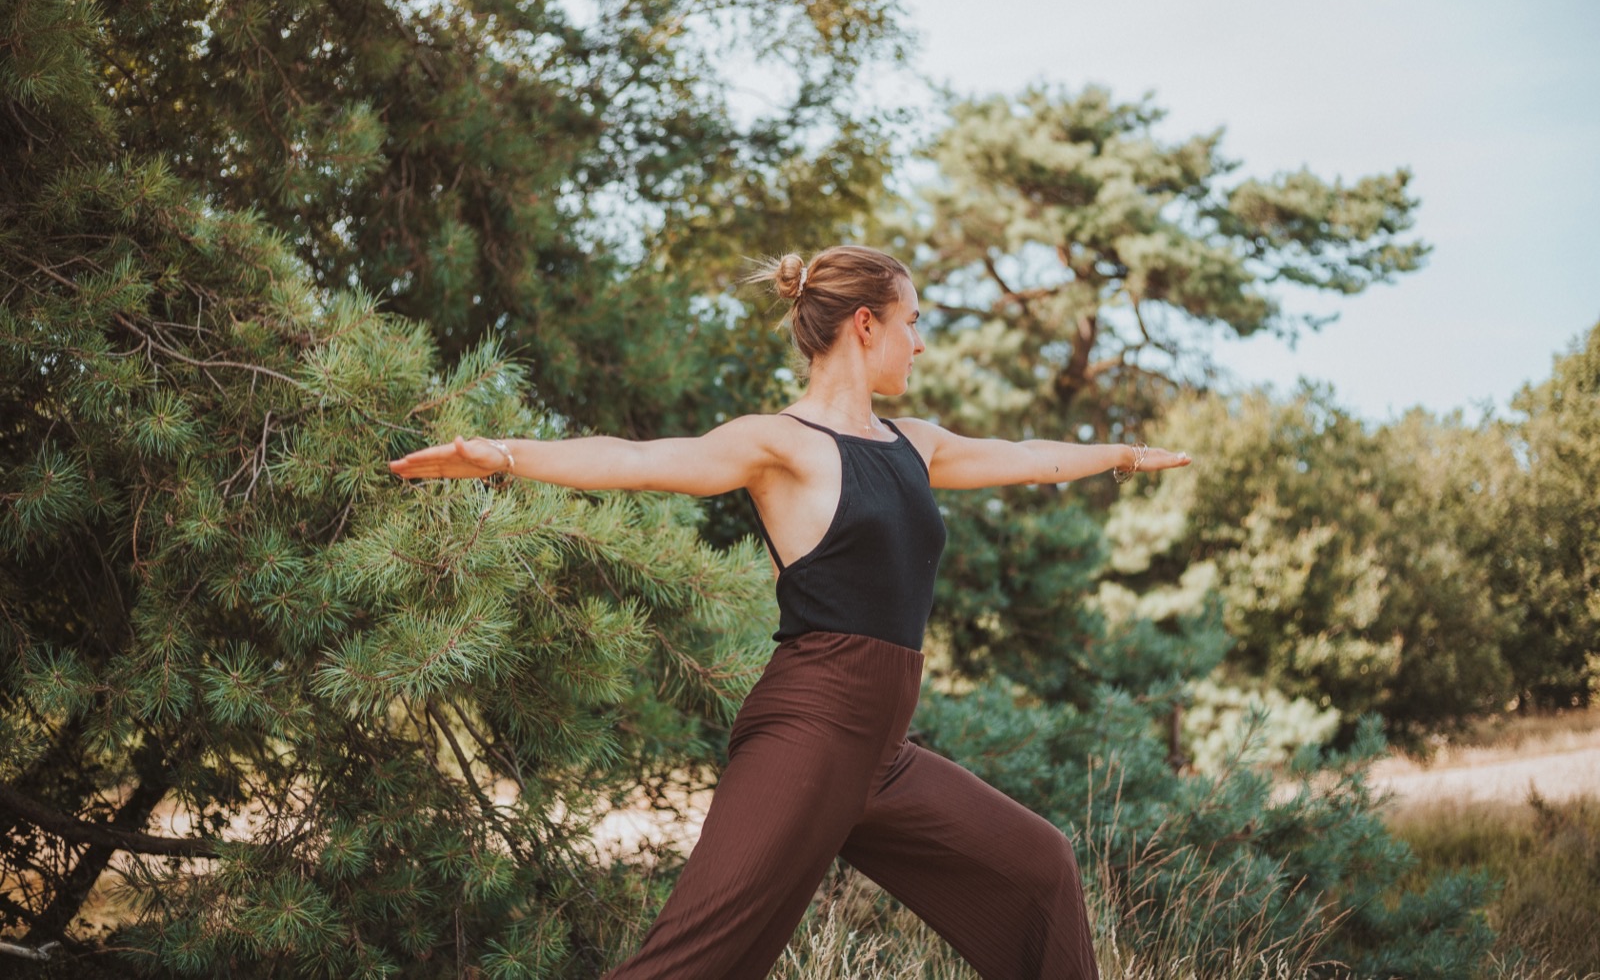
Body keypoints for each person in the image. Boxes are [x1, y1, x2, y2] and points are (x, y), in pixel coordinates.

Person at [389, 245, 1190, 980]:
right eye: (913, 324)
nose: (921, 343)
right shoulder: (782, 444)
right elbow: (637, 462)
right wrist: (502, 454)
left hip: (881, 753)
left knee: (1039, 866)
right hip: (808, 732)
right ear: (866, 324)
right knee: (688, 965)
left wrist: (1119, 456)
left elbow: (1022, 460)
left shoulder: (915, 444)